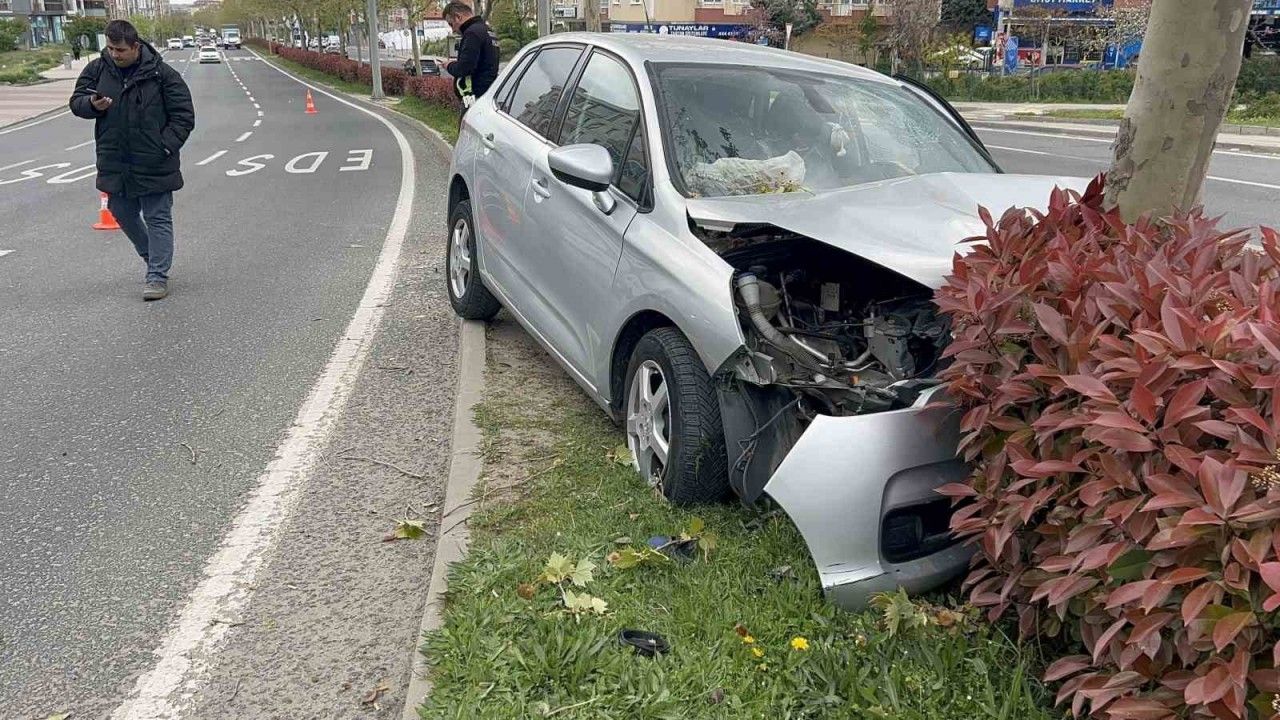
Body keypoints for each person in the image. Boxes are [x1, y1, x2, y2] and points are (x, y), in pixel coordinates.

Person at [69, 20, 195, 301]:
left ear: (136, 47)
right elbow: (77, 101)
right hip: (115, 160)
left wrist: (164, 147)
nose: (115, 54)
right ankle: (152, 255)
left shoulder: (162, 74)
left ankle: (157, 276)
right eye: (110, 48)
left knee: (157, 216)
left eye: (120, 50)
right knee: (120, 211)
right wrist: (91, 105)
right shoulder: (97, 69)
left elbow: (184, 115)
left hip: (154, 161)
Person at [442, 1, 499, 110]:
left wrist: (449, 65)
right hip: (488, 95)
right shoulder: (488, 31)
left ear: (458, 17)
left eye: (451, 24)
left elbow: (465, 68)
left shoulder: (472, 33)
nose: (453, 30)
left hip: (473, 98)